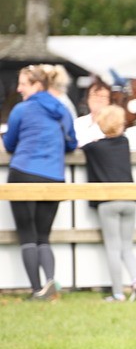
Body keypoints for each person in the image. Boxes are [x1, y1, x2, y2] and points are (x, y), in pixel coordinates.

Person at [1, 65, 78, 300]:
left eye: (23, 84)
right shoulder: (62, 109)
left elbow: (10, 143)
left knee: (27, 235)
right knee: (43, 236)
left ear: (37, 85)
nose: (18, 88)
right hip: (54, 176)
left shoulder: (21, 109)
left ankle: (36, 290)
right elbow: (72, 143)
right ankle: (50, 285)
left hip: (23, 174)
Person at [82, 106, 136, 302]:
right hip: (130, 200)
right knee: (127, 246)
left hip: (108, 203)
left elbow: (81, 145)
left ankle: (118, 293)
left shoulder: (93, 148)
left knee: (113, 248)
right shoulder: (125, 143)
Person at [74, 80, 113, 146]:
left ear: (109, 101)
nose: (98, 99)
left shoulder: (113, 125)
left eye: (103, 96)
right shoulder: (77, 123)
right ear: (87, 99)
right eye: (94, 95)